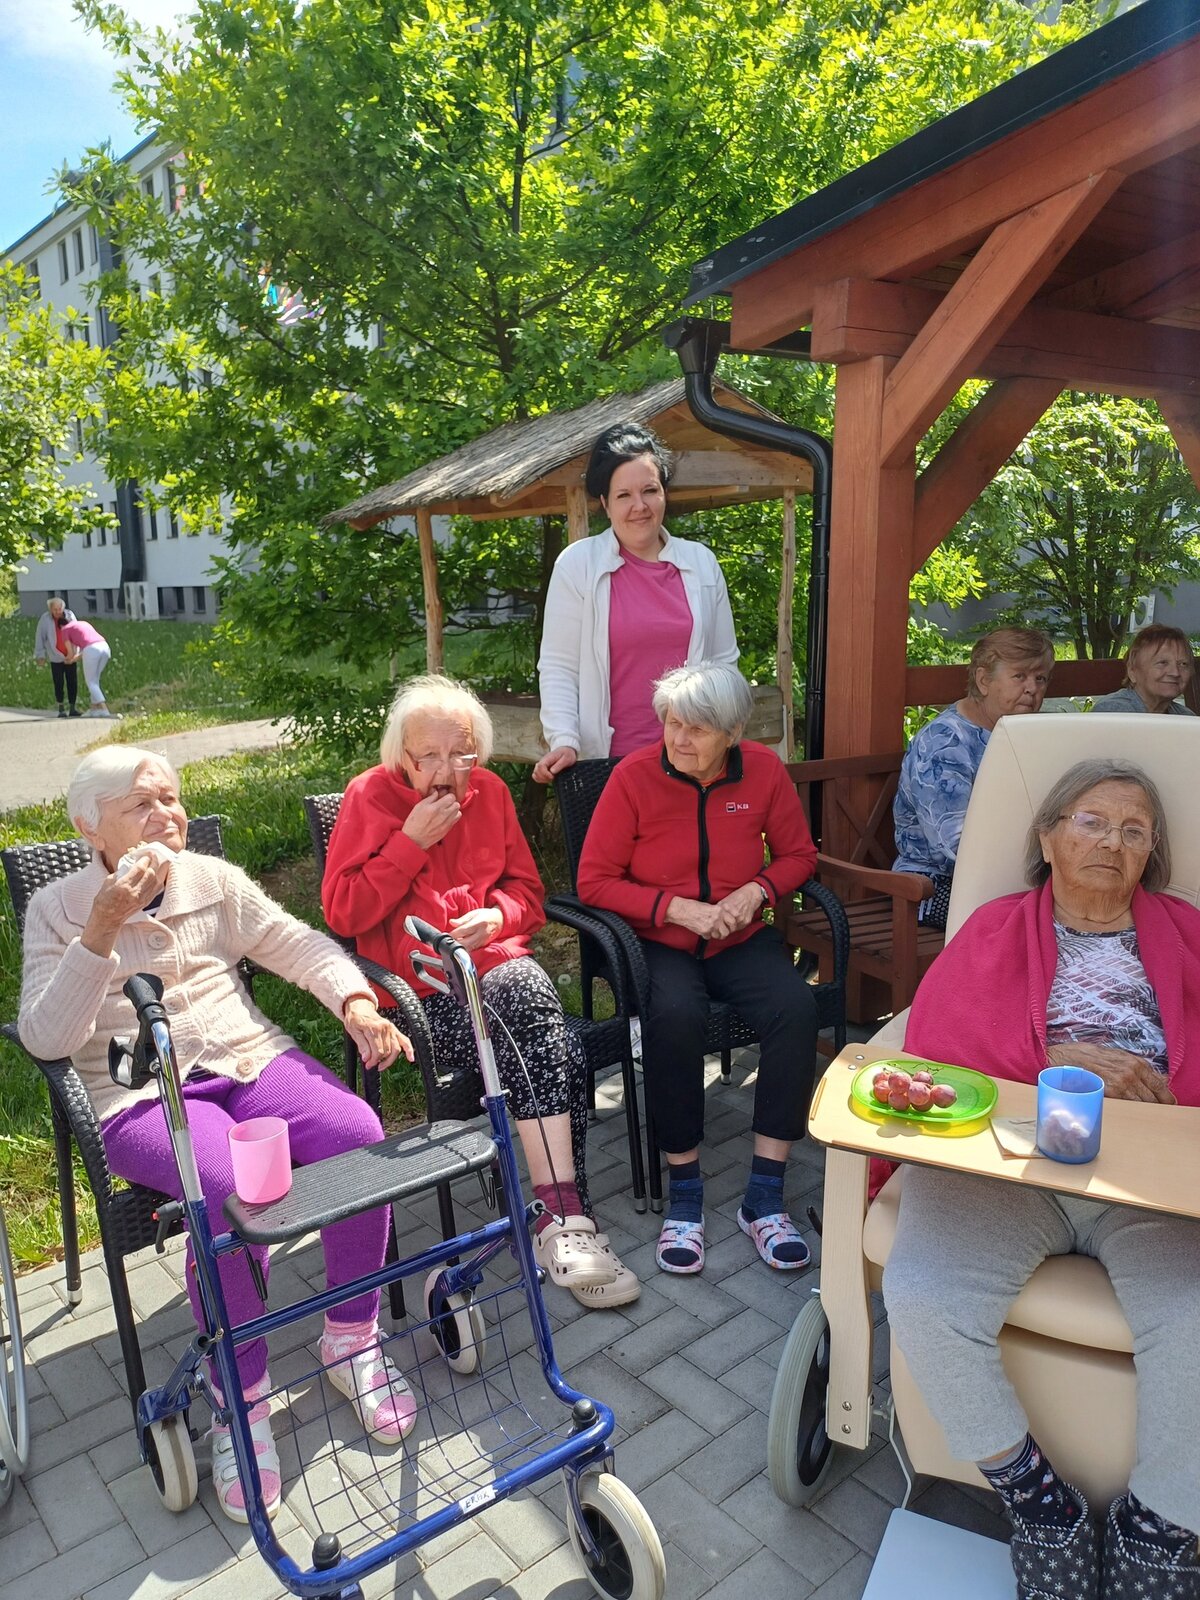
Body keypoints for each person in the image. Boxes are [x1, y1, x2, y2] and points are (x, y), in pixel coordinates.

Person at [19, 747, 418, 1525]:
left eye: (171, 798)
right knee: (228, 1187)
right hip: (137, 1094)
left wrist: (355, 1001)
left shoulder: (211, 879)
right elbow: (45, 1038)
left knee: (357, 1133)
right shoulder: (58, 909)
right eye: (141, 804)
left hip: (247, 1057)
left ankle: (351, 1337)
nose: (167, 816)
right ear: (88, 827)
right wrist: (101, 928)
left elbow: (296, 943)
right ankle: (241, 1390)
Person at [884, 758, 1200, 1600]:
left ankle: (1161, 1525)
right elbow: (940, 1044)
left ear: (1152, 854)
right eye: (1092, 822)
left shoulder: (1189, 934)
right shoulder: (993, 928)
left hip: (1154, 1176)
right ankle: (1038, 1500)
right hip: (1010, 1157)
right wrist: (1052, 1058)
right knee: (921, 1290)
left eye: (1134, 831)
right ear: (1049, 837)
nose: (1112, 842)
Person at [322, 673, 638, 1309]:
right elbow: (343, 912)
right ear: (401, 755)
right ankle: (562, 1220)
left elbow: (527, 895)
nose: (446, 772)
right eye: (429, 756)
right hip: (420, 997)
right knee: (558, 1047)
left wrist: (497, 918)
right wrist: (410, 844)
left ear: (479, 753)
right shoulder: (368, 797)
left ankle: (557, 1219)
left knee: (527, 996)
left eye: (460, 754)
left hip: (493, 971)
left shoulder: (490, 793)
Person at [576, 662, 820, 1276]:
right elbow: (593, 881)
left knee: (795, 1009)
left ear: (732, 734)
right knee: (675, 1016)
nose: (679, 740)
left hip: (738, 936)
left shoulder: (762, 770)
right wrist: (676, 908)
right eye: (673, 723)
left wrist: (756, 892)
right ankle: (684, 1191)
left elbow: (798, 855)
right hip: (661, 939)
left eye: (697, 729)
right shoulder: (634, 777)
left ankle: (764, 1195)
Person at [533, 421, 738, 783]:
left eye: (649, 491)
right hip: (606, 768)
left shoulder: (702, 563)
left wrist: (723, 739)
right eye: (624, 495)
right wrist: (564, 739)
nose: (639, 506)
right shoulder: (577, 565)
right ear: (605, 503)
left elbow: (724, 665)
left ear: (664, 493)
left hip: (692, 764)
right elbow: (559, 668)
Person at [893, 627, 1054, 925]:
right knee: (1035, 923)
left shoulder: (1026, 733)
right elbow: (953, 846)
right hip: (932, 887)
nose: (1032, 688)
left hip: (1013, 881)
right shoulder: (944, 743)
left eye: (1040, 678)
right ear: (983, 680)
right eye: (1019, 676)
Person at [1092, 623, 1197, 716]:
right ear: (1132, 671)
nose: (1175, 672)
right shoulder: (1114, 713)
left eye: (1183, 664)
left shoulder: (1186, 717)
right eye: (1162, 663)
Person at [58, 615, 118, 719]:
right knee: (95, 680)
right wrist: (73, 659)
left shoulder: (64, 630)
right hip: (104, 647)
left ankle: (104, 709)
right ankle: (94, 709)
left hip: (91, 650)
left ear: (60, 626)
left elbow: (71, 653)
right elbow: (88, 646)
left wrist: (66, 660)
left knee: (91, 682)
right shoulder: (83, 624)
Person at [32, 597, 80, 718]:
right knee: (58, 682)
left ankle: (73, 708)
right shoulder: (45, 619)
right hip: (55, 656)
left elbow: (76, 633)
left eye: (59, 609)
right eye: (55, 609)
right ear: (50, 610)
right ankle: (61, 708)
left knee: (72, 681)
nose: (58, 612)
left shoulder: (70, 616)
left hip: (70, 655)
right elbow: (40, 637)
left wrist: (76, 653)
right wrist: (40, 655)